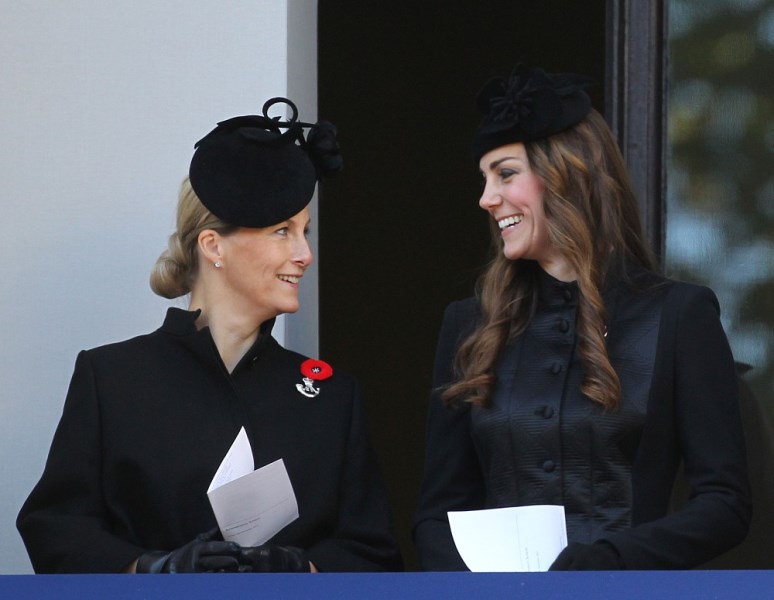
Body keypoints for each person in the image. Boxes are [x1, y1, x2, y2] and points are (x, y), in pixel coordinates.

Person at [17, 97, 402, 574]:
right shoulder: (112, 378)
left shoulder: (332, 397)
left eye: (305, 231)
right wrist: (154, 569)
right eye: (282, 231)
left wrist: (298, 570)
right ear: (213, 245)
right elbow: (55, 528)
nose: (304, 254)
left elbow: (375, 553)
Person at [413, 65, 751, 570]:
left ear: (567, 173)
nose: (486, 199)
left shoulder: (679, 315)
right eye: (485, 179)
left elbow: (725, 504)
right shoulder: (468, 325)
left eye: (505, 173)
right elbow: (437, 516)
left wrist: (610, 560)